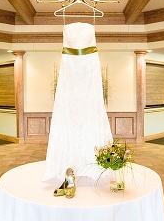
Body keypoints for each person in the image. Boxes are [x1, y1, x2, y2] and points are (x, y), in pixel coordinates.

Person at [42, 22, 113, 182]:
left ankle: (91, 167)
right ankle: (70, 167)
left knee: (89, 112)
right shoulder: (69, 60)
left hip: (88, 69)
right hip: (70, 67)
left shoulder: (91, 61)